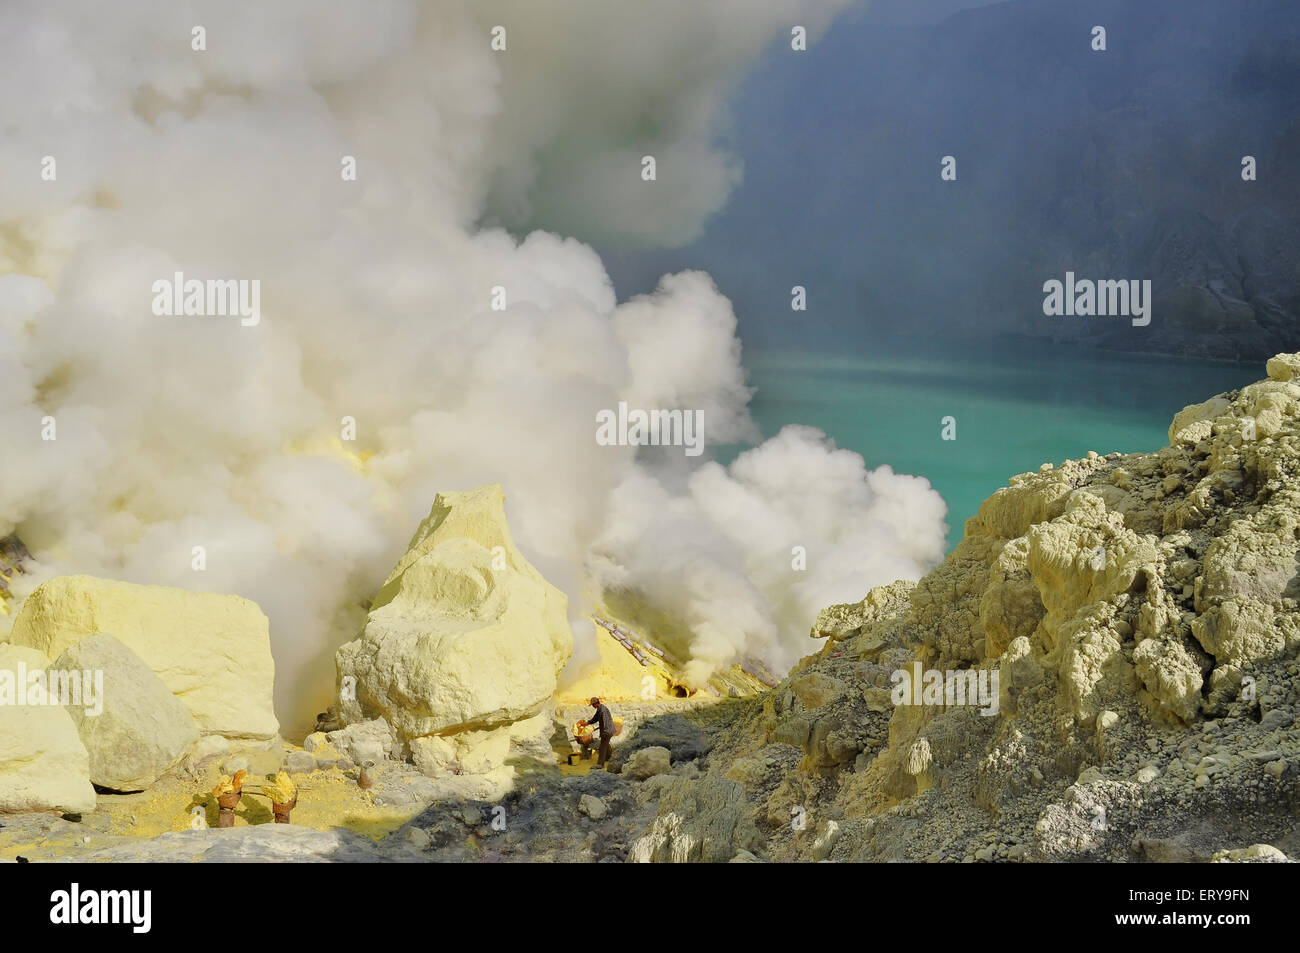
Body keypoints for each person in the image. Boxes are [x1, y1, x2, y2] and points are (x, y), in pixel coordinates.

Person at [581, 696, 615, 768]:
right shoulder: (599, 709)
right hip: (607, 730)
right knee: (605, 745)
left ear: (596, 704)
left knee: (602, 747)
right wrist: (587, 723)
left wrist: (604, 732)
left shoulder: (603, 710)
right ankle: (608, 758)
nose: (593, 706)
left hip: (607, 731)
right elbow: (595, 718)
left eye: (593, 705)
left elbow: (606, 722)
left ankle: (600, 764)